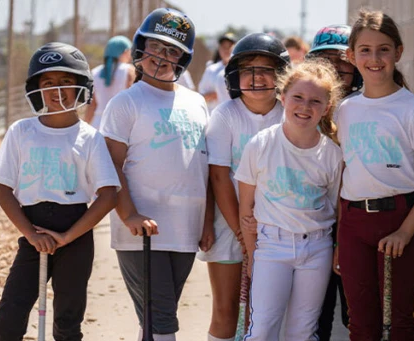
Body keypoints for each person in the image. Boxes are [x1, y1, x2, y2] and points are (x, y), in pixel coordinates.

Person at [0, 42, 120, 341]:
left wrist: (67, 237)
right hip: (32, 229)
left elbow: (109, 194)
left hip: (76, 232)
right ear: (36, 89)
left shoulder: (90, 138)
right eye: (48, 83)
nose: (57, 90)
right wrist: (31, 235)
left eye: (66, 82)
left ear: (81, 88)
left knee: (68, 320)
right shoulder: (21, 131)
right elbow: (4, 190)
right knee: (10, 314)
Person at [98, 8, 211, 341]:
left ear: (183, 59)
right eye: (155, 47)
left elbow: (203, 166)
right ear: (139, 48)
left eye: (172, 50)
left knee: (157, 316)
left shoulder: (196, 102)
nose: (162, 57)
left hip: (186, 228)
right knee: (162, 320)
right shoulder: (125, 103)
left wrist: (206, 223)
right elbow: (112, 166)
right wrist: (129, 213)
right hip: (140, 229)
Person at [335, 9, 414, 341]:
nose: (374, 58)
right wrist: (341, 239)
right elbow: (345, 177)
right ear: (351, 56)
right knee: (360, 324)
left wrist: (405, 232)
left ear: (398, 52)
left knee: (399, 323)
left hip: (400, 221)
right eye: (365, 50)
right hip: (354, 224)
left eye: (383, 49)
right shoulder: (346, 109)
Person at [236, 59, 345, 341]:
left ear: (326, 107)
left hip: (317, 248)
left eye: (315, 101)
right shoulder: (260, 144)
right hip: (271, 246)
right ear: (282, 97)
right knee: (262, 330)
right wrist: (253, 254)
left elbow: (336, 208)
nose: (304, 106)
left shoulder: (332, 155)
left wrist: (334, 249)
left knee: (302, 331)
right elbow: (246, 208)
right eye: (297, 97)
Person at [197, 32, 289, 341]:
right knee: (227, 310)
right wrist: (240, 228)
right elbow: (220, 175)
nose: (257, 77)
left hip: (277, 226)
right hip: (230, 223)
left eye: (266, 69)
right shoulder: (225, 115)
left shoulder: (290, 114)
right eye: (248, 70)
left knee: (261, 311)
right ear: (235, 76)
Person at [304, 24, 362, 341]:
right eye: (327, 60)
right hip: (315, 225)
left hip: (355, 221)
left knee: (356, 312)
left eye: (344, 61)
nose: (337, 69)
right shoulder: (304, 107)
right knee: (316, 316)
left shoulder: (366, 107)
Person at [85, 35, 135, 128]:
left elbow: (92, 105)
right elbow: (133, 101)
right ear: (124, 52)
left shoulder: (95, 72)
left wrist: (86, 125)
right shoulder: (129, 71)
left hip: (97, 123)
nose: (130, 56)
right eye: (130, 52)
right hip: (120, 124)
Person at [198, 32, 237, 110]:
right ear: (219, 48)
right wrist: (218, 94)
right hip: (214, 114)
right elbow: (201, 96)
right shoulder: (211, 70)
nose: (226, 50)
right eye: (223, 47)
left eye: (229, 46)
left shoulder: (240, 69)